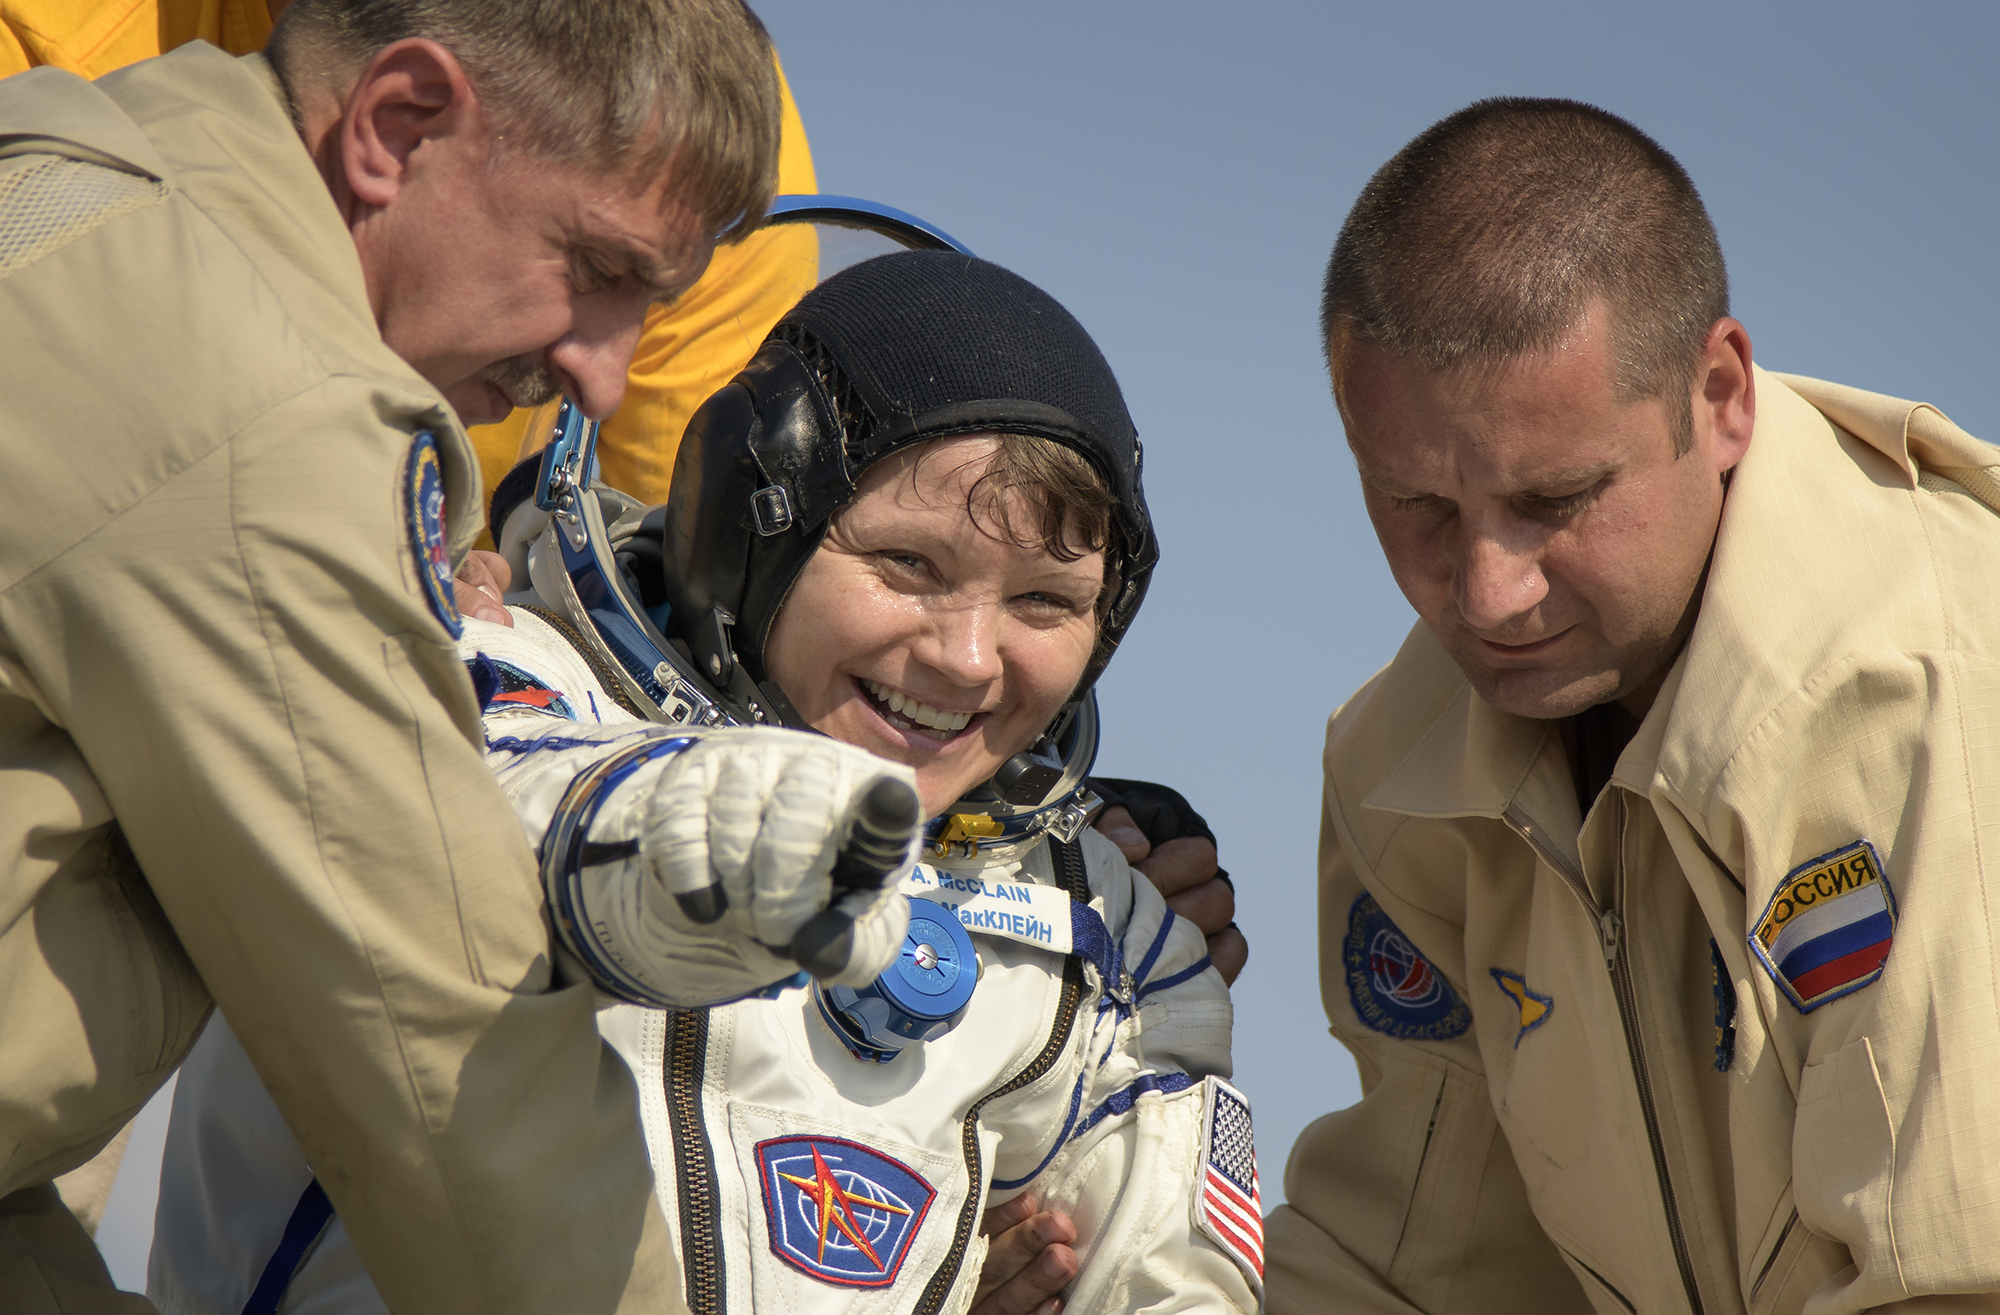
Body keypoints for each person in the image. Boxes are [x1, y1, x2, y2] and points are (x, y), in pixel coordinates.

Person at [0, 2, 914, 1310]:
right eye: (597, 267)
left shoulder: (77, 166)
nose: (606, 377)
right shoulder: (254, 412)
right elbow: (431, 1032)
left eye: (650, 308)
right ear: (396, 125)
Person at [150, 251, 1261, 1315]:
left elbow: (1169, 1271)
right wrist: (752, 844)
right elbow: (515, 827)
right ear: (743, 523)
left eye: (1044, 603)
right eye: (907, 565)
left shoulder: (1095, 930)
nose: (968, 658)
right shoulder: (473, 687)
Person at [1265, 98, 2000, 1313]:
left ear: (1718, 395)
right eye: (1418, 507)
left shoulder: (1939, 685)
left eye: (1554, 497)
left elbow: (1955, 1283)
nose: (1490, 594)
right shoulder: (1398, 765)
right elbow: (1416, 1271)